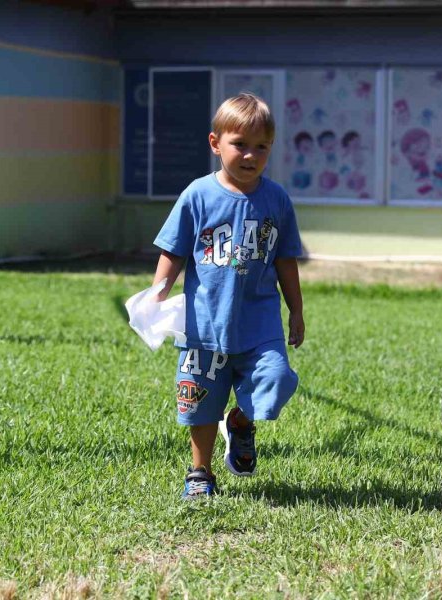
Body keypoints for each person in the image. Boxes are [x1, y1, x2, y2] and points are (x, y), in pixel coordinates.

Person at [152, 93, 304, 500]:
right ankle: (200, 472)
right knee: (200, 402)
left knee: (276, 378)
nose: (251, 155)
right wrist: (159, 291)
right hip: (204, 325)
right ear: (215, 143)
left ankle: (240, 421)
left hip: (259, 321)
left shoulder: (276, 200)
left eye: (262, 147)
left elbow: (287, 260)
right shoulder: (198, 196)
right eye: (240, 144)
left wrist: (297, 312)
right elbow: (174, 249)